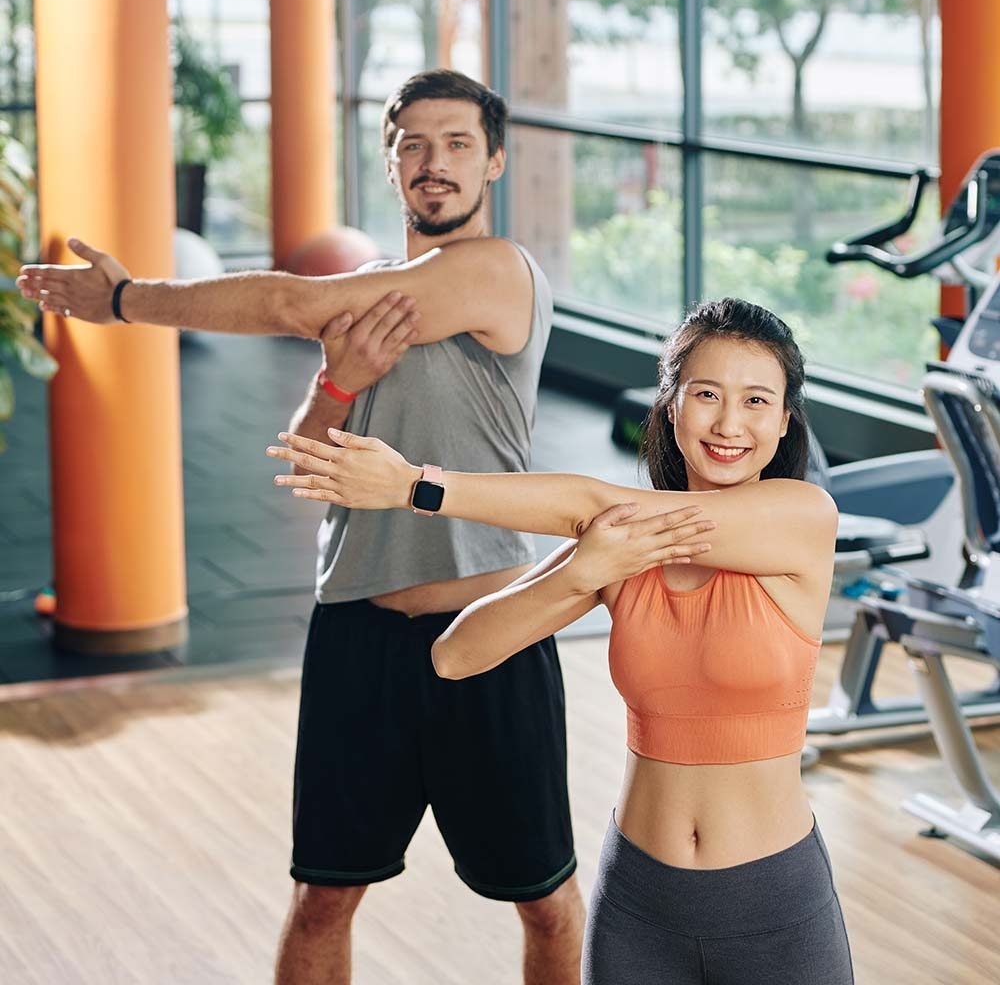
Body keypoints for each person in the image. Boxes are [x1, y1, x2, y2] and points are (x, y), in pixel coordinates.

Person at [18, 68, 711, 985]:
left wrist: (124, 300)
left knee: (545, 901)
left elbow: (291, 305)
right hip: (357, 632)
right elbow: (310, 461)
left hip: (490, 632)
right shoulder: (371, 299)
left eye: (459, 143)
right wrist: (337, 381)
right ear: (390, 166)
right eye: (414, 145)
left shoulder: (496, 272)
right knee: (322, 898)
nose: (436, 164)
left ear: (494, 160)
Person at [266, 297, 856, 984]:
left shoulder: (802, 517)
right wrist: (585, 571)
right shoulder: (618, 545)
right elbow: (456, 655)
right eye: (705, 394)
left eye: (757, 401)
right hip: (639, 904)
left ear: (785, 423)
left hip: (774, 905)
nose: (729, 423)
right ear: (670, 408)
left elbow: (592, 504)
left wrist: (414, 487)